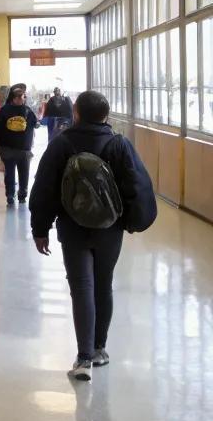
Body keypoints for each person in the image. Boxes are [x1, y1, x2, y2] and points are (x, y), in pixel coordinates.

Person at [29, 90, 157, 381]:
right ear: (106, 115)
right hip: (109, 230)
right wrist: (133, 222)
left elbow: (44, 188)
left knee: (82, 287)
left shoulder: (62, 143)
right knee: (103, 286)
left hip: (72, 227)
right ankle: (100, 349)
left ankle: (83, 357)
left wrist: (40, 229)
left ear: (75, 112)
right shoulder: (119, 144)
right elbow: (138, 186)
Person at [0, 82, 39, 206]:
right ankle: (13, 196)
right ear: (13, 98)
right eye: (19, 97)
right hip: (18, 149)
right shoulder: (26, 111)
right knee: (14, 174)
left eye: (23, 96)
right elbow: (36, 124)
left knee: (17, 174)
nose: (22, 99)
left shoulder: (4, 110)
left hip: (14, 149)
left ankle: (17, 195)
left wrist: (2, 142)